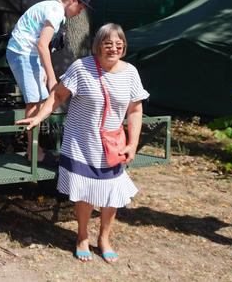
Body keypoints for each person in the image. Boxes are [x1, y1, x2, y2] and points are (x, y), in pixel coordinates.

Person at [17, 23, 148, 263]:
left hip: (111, 146)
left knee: (112, 195)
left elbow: (135, 110)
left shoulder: (130, 73)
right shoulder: (81, 67)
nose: (113, 49)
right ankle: (82, 236)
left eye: (119, 44)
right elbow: (57, 95)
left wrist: (133, 142)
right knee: (85, 193)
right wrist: (39, 116)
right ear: (98, 46)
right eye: (108, 44)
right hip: (81, 142)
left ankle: (105, 238)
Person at [6, 0, 92, 164]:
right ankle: (33, 151)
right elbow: (42, 45)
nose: (79, 13)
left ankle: (36, 148)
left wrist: (43, 69)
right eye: (81, 8)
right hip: (23, 53)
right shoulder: (56, 11)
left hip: (27, 54)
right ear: (73, 0)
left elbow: (38, 41)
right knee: (34, 102)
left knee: (41, 100)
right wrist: (52, 78)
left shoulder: (50, 7)